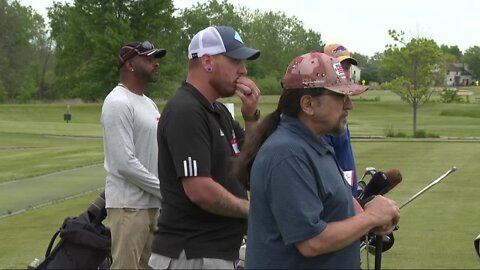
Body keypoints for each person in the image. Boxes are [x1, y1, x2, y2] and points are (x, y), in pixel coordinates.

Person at [234, 52, 400, 269]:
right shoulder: (287, 154)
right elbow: (310, 242)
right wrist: (371, 218)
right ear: (308, 104)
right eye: (341, 97)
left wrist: (368, 218)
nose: (349, 105)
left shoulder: (315, 145)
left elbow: (334, 212)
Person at [149, 26, 261, 269]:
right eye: (235, 60)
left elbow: (251, 168)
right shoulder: (186, 110)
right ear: (208, 61)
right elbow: (200, 190)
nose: (243, 70)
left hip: (212, 253)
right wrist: (255, 210)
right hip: (192, 255)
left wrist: (251, 116)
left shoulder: (217, 111)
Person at [101, 41, 165, 269]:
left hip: (151, 205)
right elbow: (124, 163)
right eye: (148, 59)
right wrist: (164, 189)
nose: (155, 63)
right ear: (130, 64)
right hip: (129, 206)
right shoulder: (117, 102)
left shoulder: (148, 103)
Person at [323, 43, 361, 196]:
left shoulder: (339, 110)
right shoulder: (324, 116)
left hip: (348, 197)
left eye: (346, 68)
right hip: (335, 202)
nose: (344, 74)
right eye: (338, 67)